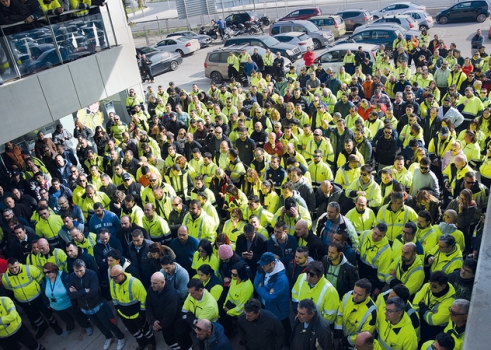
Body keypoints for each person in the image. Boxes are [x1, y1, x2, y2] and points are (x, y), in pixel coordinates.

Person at [68, 259, 126, 350]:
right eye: (76, 271)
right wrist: (84, 291)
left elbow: (93, 292)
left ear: (85, 268)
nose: (79, 273)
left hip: (97, 305)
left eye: (81, 271)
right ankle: (108, 337)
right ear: (73, 270)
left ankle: (120, 337)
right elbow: (71, 295)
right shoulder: (71, 277)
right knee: (98, 325)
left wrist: (77, 294)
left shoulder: (92, 275)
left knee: (107, 324)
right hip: (85, 308)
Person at [2, 257, 62, 339]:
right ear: (8, 267)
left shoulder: (29, 269)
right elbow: (9, 288)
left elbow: (41, 279)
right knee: (34, 316)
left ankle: (55, 325)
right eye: (12, 268)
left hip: (37, 297)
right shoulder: (5, 278)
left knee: (47, 312)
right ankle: (42, 326)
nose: (14, 270)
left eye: (16, 267)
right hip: (24, 302)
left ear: (18, 264)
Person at [109, 265, 155, 350]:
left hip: (137, 314)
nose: (113, 280)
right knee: (134, 331)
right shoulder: (113, 283)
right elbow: (114, 297)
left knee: (146, 330)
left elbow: (144, 299)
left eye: (115, 277)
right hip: (124, 315)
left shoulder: (134, 283)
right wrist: (117, 309)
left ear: (122, 274)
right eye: (111, 277)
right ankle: (142, 343)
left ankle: (151, 343)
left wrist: (142, 313)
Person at [42, 262, 92, 338]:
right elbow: (43, 292)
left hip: (69, 304)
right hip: (56, 307)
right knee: (65, 319)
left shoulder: (64, 277)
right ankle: (70, 327)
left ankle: (86, 325)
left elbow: (72, 289)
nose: (47, 274)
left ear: (54, 270)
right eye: (45, 273)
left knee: (78, 316)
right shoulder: (45, 280)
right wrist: (47, 304)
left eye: (48, 272)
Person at [146, 272, 191, 350]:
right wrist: (153, 321)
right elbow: (148, 305)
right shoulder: (151, 289)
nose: (152, 285)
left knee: (184, 342)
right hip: (163, 325)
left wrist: (159, 326)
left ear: (162, 282)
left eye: (155, 283)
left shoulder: (171, 295)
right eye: (151, 282)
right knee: (170, 341)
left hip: (175, 324)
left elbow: (170, 315)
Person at [413, 271, 456, 343]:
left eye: (434, 286)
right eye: (430, 283)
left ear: (443, 287)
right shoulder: (427, 286)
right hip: (421, 324)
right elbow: (415, 303)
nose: (430, 287)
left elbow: (434, 320)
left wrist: (422, 306)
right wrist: (430, 313)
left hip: (434, 331)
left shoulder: (450, 302)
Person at [334, 278, 377, 349]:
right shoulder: (348, 295)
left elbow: (364, 335)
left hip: (354, 346)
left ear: (368, 295)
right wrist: (338, 330)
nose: (355, 296)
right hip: (341, 337)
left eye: (359, 295)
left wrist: (346, 340)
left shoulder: (372, 312)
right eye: (354, 292)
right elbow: (340, 313)